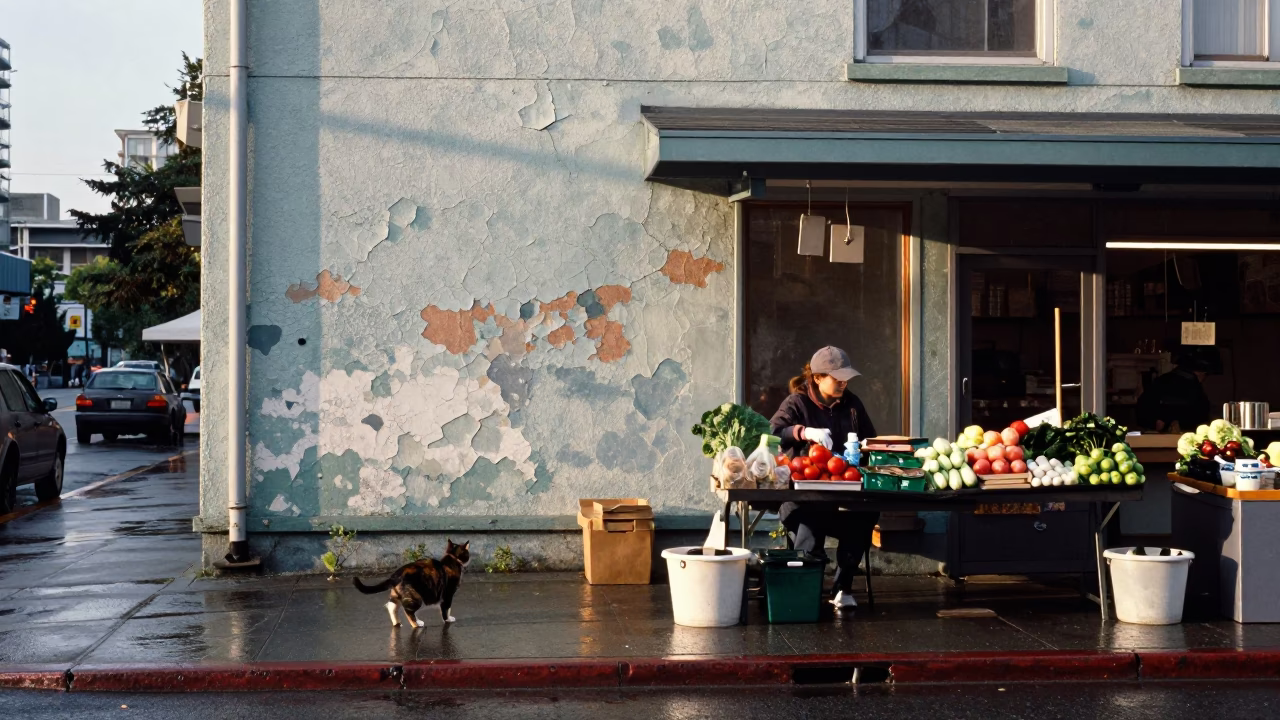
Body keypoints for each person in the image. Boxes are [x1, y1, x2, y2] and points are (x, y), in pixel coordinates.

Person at [770, 346, 878, 609]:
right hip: (803, 498)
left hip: (843, 493)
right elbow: (773, 431)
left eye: (845, 378)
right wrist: (803, 432)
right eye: (836, 377)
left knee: (865, 516)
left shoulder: (852, 404)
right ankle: (806, 591)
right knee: (810, 525)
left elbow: (871, 438)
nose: (843, 383)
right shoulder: (796, 403)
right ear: (817, 378)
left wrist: (866, 447)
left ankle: (843, 587)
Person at [1136, 352, 1212, 433]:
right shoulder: (1195, 387)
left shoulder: (1162, 380)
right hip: (1182, 432)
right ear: (1200, 374)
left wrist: (1157, 421)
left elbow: (1142, 407)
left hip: (1161, 430)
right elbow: (1202, 416)